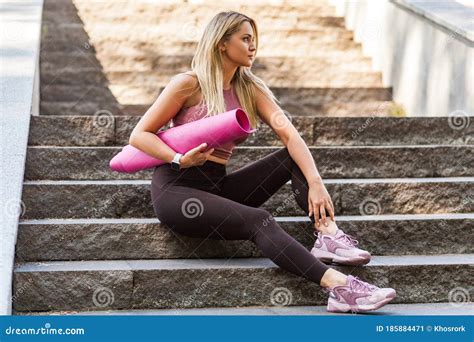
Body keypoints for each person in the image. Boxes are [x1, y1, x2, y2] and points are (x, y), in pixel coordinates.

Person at [129, 11, 396, 313]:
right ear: (221, 43)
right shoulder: (188, 85)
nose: (253, 46)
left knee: (291, 157)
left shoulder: (249, 89)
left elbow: (291, 136)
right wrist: (179, 158)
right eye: (245, 39)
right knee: (260, 219)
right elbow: (139, 134)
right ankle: (340, 287)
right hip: (177, 190)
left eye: (254, 40)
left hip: (217, 185)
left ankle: (328, 234)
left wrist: (317, 183)